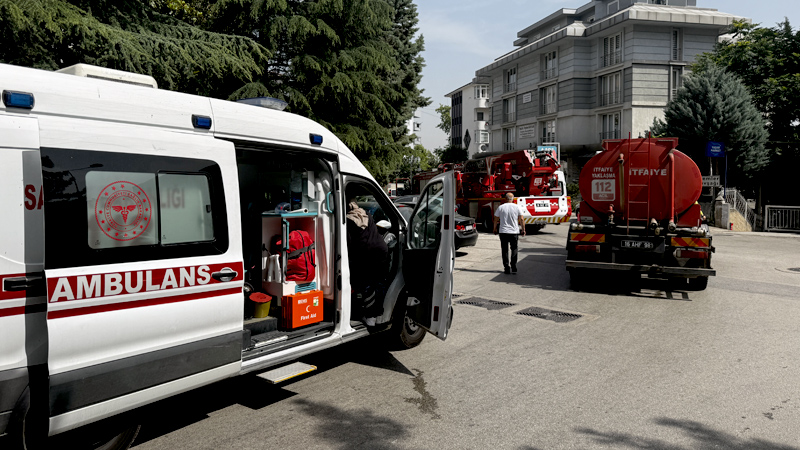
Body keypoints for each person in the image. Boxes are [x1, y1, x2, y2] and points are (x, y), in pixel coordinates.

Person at [346, 198, 389, 326]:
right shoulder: (366, 214)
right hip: (381, 250)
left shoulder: (348, 220)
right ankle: (379, 314)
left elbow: (348, 244)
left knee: (366, 284)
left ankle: (370, 317)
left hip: (366, 254)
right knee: (379, 283)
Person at [493, 192, 525, 274]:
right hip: (514, 232)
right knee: (514, 248)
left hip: (503, 232)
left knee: (504, 250)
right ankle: (514, 265)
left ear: (505, 199)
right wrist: (523, 229)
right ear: (513, 199)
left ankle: (506, 267)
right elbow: (521, 219)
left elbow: (496, 219)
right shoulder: (517, 207)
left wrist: (495, 228)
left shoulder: (501, 207)